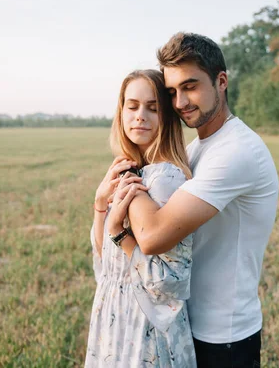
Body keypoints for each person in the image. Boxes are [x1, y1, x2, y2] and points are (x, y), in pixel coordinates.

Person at [108, 33, 279, 368]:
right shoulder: (197, 149)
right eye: (171, 92)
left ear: (221, 81)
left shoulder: (237, 151)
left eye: (190, 86)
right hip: (186, 324)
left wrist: (134, 163)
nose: (180, 101)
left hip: (223, 337)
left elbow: (153, 235)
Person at [85, 69, 197, 367]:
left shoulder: (163, 178)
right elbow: (104, 259)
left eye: (153, 108)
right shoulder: (129, 170)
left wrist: (120, 234)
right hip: (114, 313)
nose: (140, 116)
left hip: (144, 323)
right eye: (132, 106)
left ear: (168, 117)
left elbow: (168, 281)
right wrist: (99, 205)